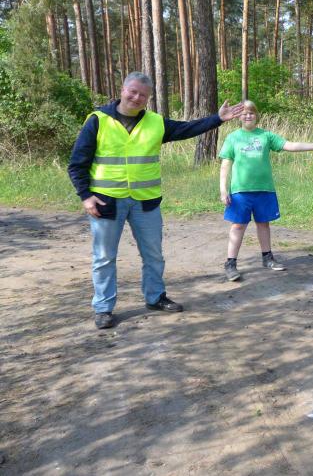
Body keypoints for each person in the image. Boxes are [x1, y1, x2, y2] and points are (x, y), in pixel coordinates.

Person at [68, 71, 245, 329]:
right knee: (104, 257)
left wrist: (217, 119)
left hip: (146, 202)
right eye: (133, 92)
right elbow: (77, 163)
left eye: (143, 95)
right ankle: (103, 308)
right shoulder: (98, 120)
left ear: (148, 98)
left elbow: (186, 129)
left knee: (153, 255)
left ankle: (155, 297)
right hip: (106, 202)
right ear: (122, 90)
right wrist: (86, 196)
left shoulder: (155, 123)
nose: (136, 98)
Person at [219, 100, 313, 281]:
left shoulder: (266, 136)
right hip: (240, 191)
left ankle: (267, 258)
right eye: (244, 113)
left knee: (264, 224)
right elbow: (225, 165)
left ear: (257, 115)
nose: (248, 116)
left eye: (251, 113)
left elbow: (290, 145)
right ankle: (230, 263)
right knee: (238, 226)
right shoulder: (233, 137)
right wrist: (223, 189)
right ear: (238, 116)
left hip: (265, 190)